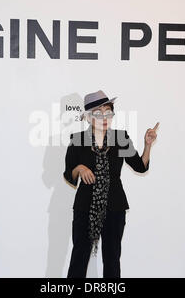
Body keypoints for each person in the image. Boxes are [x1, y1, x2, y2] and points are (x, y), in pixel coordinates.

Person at [63, 90, 159, 278]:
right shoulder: (78, 140)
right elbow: (69, 174)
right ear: (89, 117)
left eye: (108, 112)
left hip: (114, 206)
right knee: (79, 257)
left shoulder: (120, 139)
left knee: (112, 258)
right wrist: (80, 168)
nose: (104, 117)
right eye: (98, 113)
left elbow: (140, 167)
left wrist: (147, 145)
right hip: (85, 207)